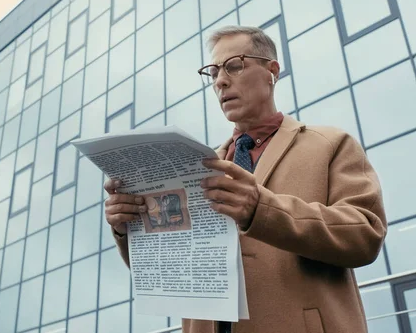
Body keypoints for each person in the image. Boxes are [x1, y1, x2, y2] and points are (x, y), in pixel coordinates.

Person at [103, 25, 387, 333]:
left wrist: (261, 209)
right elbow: (169, 268)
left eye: (234, 65)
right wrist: (127, 227)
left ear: (271, 71)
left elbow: (365, 236)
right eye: (213, 73)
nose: (221, 81)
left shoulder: (330, 144)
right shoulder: (193, 167)